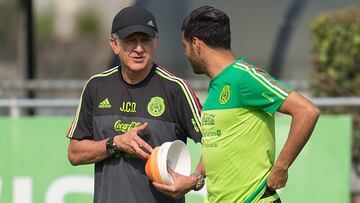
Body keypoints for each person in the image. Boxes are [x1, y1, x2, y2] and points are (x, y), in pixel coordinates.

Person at [153, 6, 320, 203]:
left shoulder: (244, 77)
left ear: (197, 44)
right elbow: (217, 144)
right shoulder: (216, 84)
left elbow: (307, 111)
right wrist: (194, 181)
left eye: (185, 47)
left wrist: (281, 167)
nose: (186, 54)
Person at [66, 6, 204, 203]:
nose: (139, 48)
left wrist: (194, 181)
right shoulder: (96, 87)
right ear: (114, 44)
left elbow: (215, 142)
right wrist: (115, 143)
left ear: (156, 42)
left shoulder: (176, 89)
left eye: (145, 40)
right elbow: (74, 153)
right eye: (131, 40)